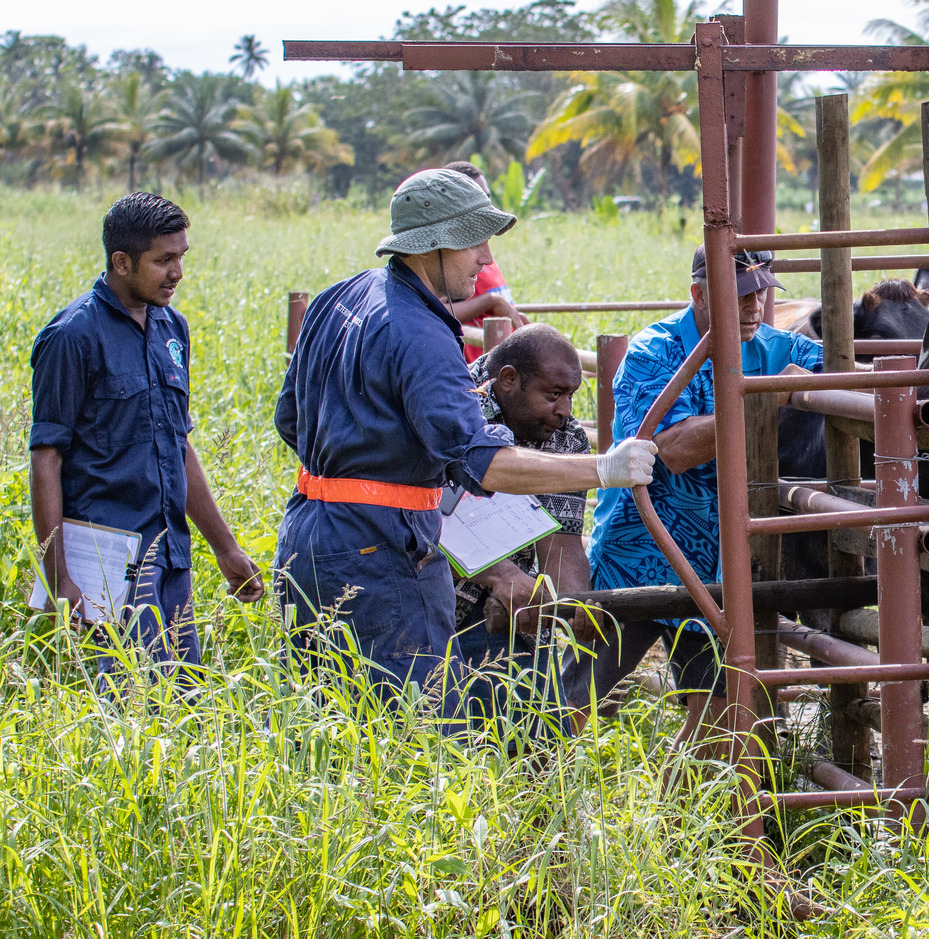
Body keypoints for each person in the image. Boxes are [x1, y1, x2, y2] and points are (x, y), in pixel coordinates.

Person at [273, 168, 655, 731]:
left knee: (322, 725)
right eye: (474, 238)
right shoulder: (420, 331)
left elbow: (289, 419)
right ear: (434, 242)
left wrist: (357, 465)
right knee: (416, 734)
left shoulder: (340, 297)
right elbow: (482, 460)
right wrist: (602, 467)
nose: (484, 257)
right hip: (381, 551)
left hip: (307, 533)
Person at [567, 245, 823, 747]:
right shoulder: (654, 351)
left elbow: (847, 379)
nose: (754, 307)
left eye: (762, 293)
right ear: (699, 295)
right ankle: (530, 802)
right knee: (576, 701)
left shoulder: (779, 347)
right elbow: (674, 448)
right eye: (741, 296)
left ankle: (666, 822)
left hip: (717, 565)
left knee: (715, 715)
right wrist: (770, 393)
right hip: (640, 550)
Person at [30, 192, 265, 681]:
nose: (177, 271)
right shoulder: (73, 337)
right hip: (106, 564)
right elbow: (46, 457)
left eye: (181, 257)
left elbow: (178, 446)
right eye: (163, 260)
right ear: (121, 261)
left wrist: (225, 548)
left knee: (183, 706)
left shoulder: (171, 329)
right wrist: (58, 578)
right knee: (123, 715)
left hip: (170, 557)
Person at [454, 324, 593, 740]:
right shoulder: (452, 407)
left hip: (511, 607)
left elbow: (562, 538)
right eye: (554, 395)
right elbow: (424, 513)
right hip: (423, 591)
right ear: (509, 380)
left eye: (571, 396)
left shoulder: (565, 439)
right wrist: (501, 575)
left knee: (536, 738)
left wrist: (577, 602)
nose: (565, 410)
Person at [443, 160, 527, 361]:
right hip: (476, 372)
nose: (487, 204)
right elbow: (433, 311)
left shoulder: (482, 253)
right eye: (478, 197)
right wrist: (491, 302)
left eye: (487, 196)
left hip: (504, 365)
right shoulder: (449, 256)